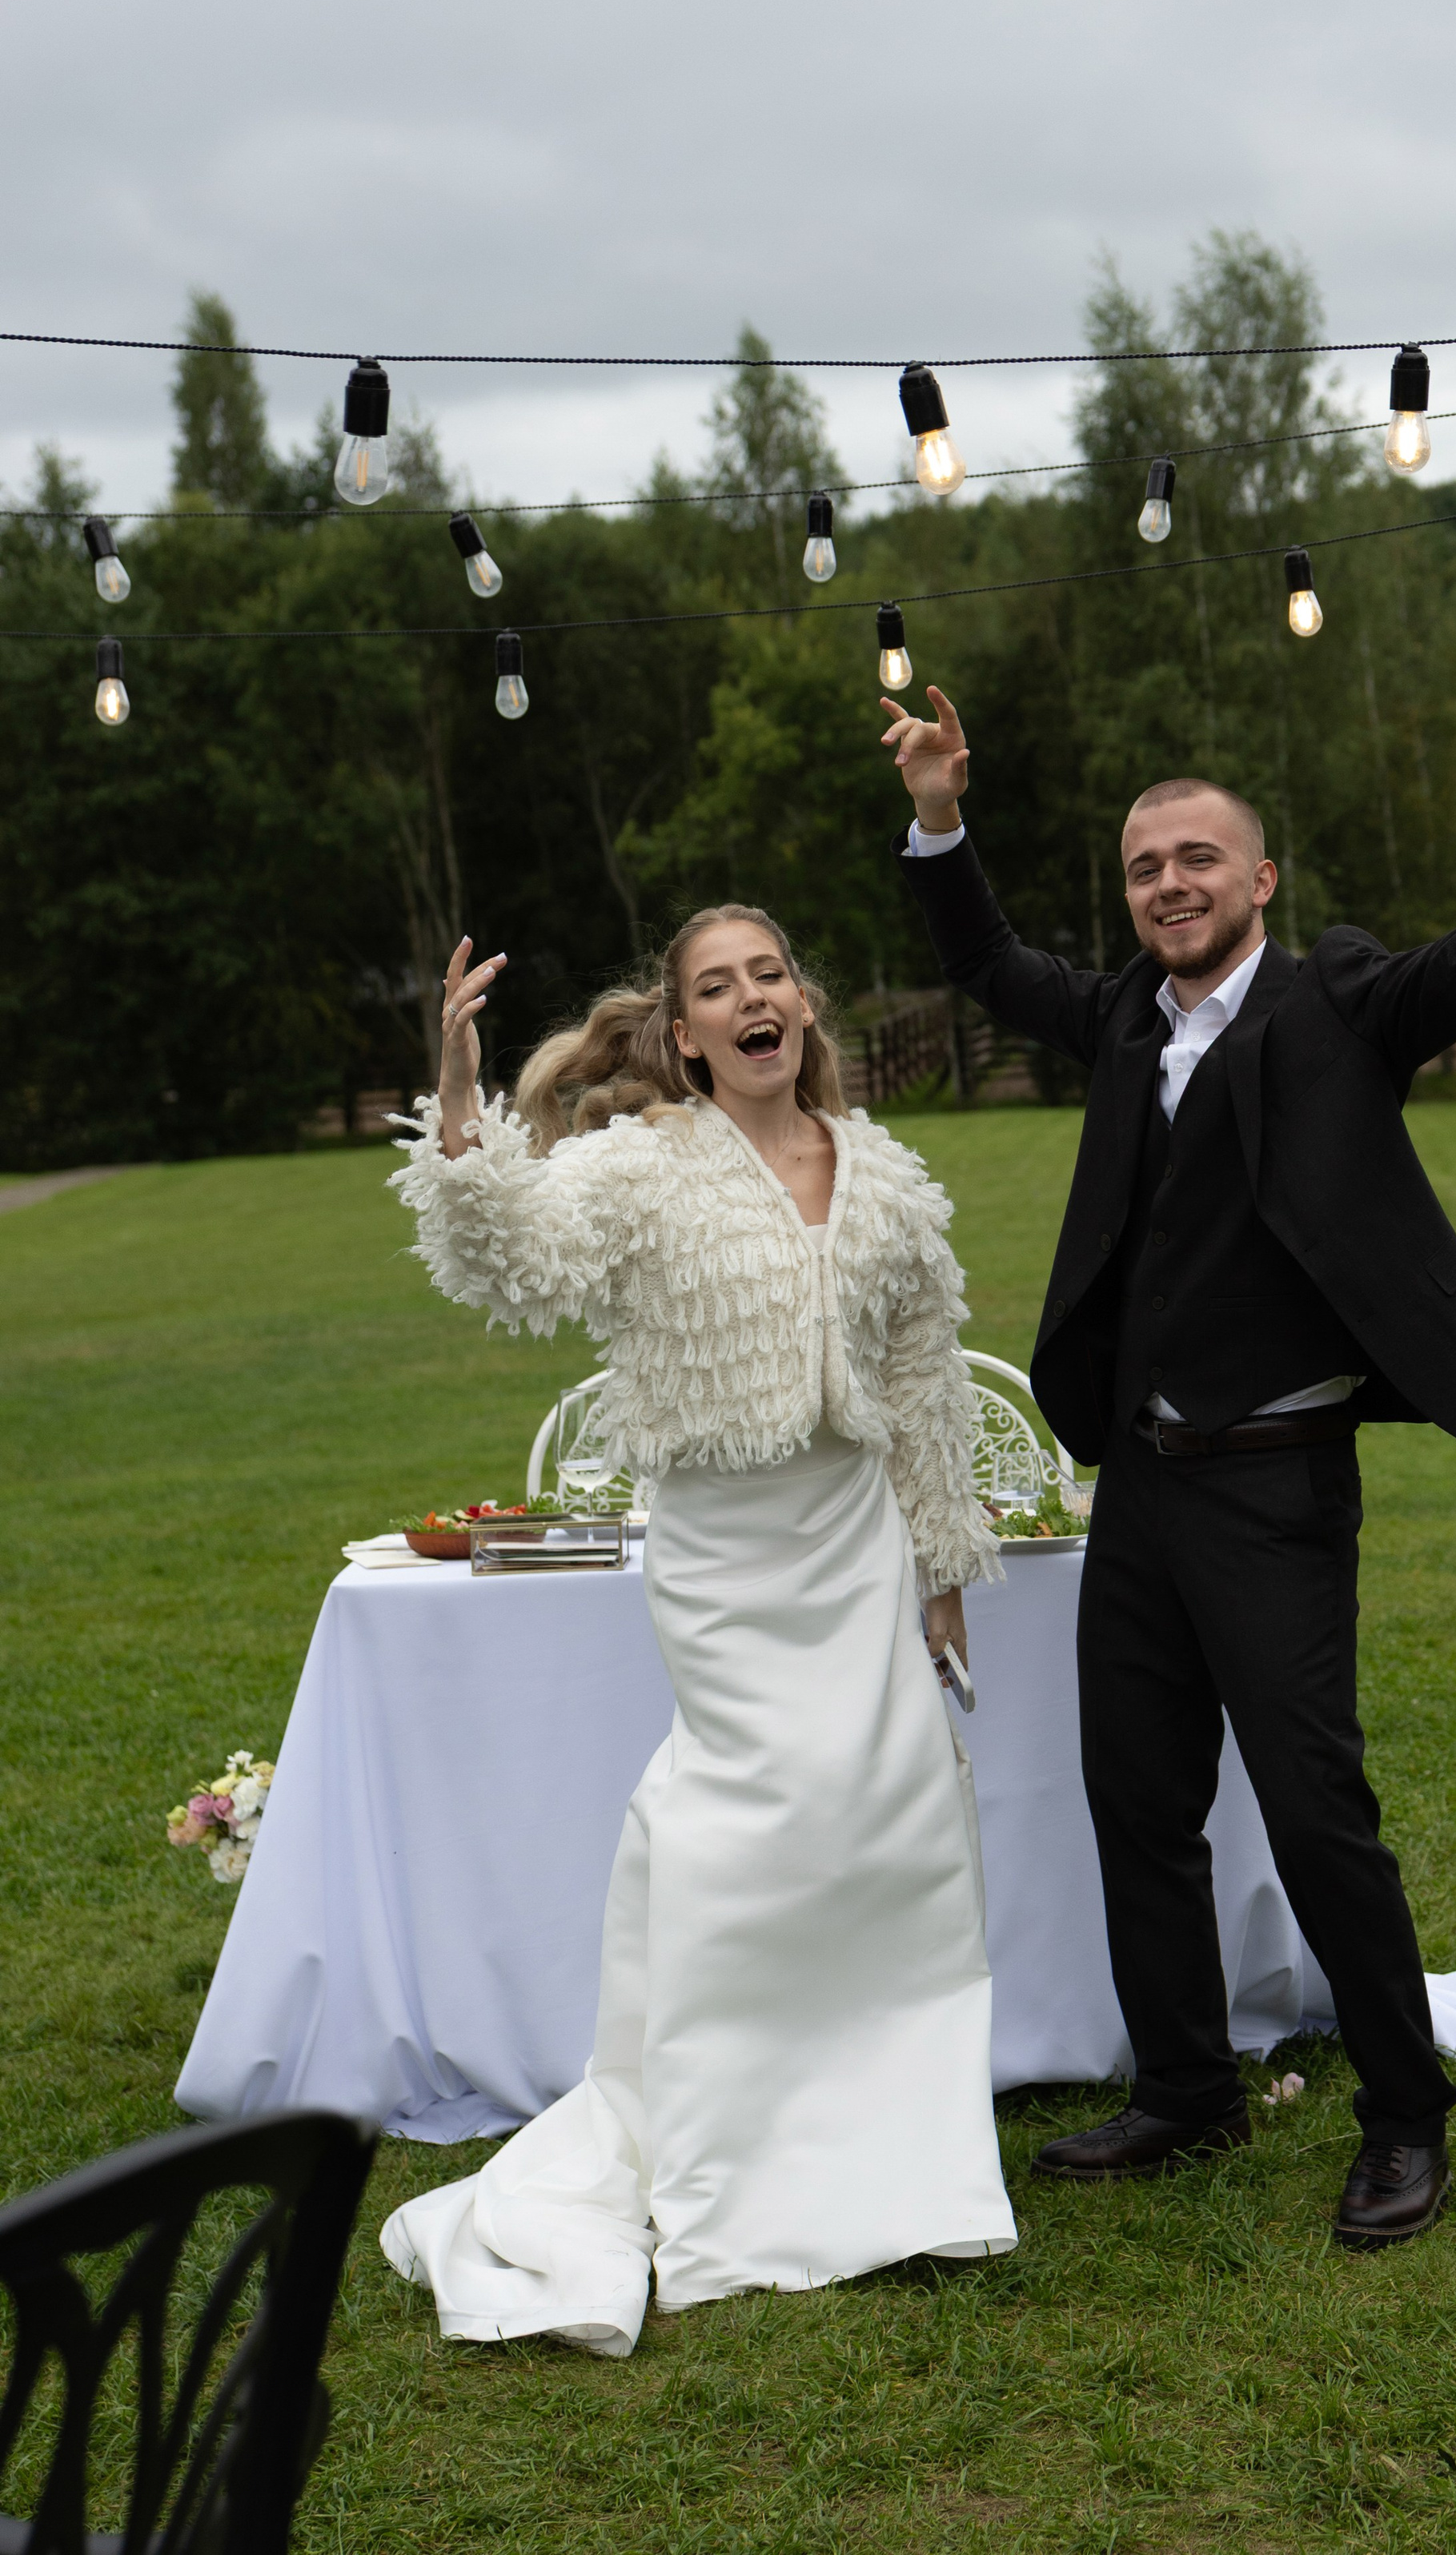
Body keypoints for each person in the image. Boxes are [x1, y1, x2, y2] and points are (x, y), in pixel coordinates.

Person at [884, 685, 1456, 2249]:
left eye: (1196, 858)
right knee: (1135, 1798)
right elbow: (985, 960)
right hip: (1139, 1488)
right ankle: (1186, 2088)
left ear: (1260, 878)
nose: (1167, 883)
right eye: (1142, 867)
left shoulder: (1337, 1003)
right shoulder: (1122, 1017)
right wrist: (940, 818)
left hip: (1277, 1484)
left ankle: (1405, 2116)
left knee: (1313, 1810)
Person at [378, 903, 1015, 2350]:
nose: (750, 999)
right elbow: (509, 1257)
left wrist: (942, 1568)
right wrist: (461, 1096)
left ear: (806, 1003)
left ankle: (909, 2169)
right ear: (685, 1036)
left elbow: (925, 1383)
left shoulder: (886, 1177)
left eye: (768, 974)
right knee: (746, 1837)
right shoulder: (641, 1165)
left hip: (857, 1546)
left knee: (897, 1832)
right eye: (717, 987)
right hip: (728, 1564)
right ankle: (735, 2183)